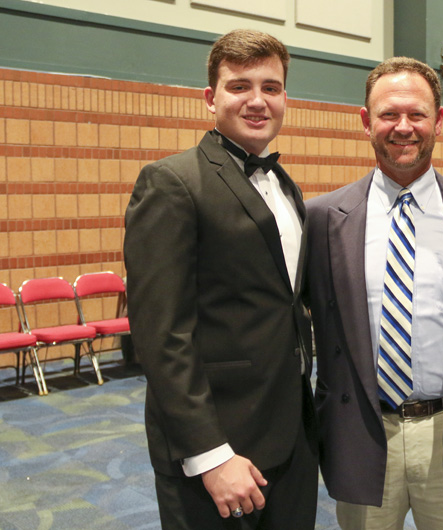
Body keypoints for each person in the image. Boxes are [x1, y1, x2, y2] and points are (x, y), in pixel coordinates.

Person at [124, 29, 317, 529]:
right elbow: (161, 335)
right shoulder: (171, 182)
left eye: (271, 87)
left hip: (290, 435)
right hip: (218, 449)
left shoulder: (285, 186)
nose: (257, 100)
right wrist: (210, 454)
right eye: (240, 86)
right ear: (211, 98)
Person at [304, 57, 443, 530]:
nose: (403, 127)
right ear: (365, 121)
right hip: (362, 433)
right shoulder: (322, 219)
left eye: (417, 114)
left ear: (439, 120)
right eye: (389, 114)